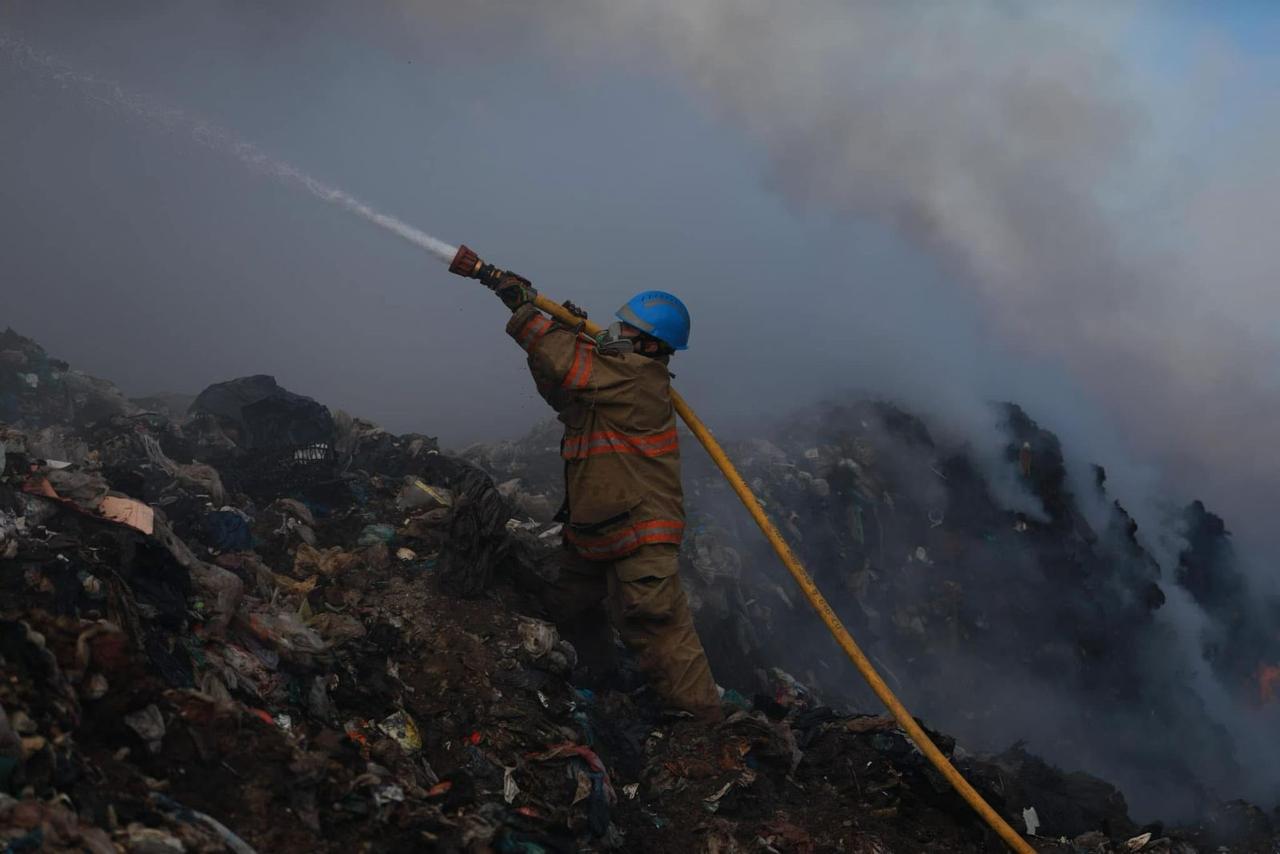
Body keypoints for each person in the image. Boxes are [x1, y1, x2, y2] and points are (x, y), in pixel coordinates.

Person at [489, 272, 722, 722]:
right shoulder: (610, 382)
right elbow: (560, 388)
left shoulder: (639, 378)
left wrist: (525, 311)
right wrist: (560, 333)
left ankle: (707, 730)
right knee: (563, 607)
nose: (614, 334)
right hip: (595, 533)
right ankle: (600, 678)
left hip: (638, 534)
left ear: (651, 345)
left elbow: (568, 365)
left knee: (659, 630)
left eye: (627, 330)